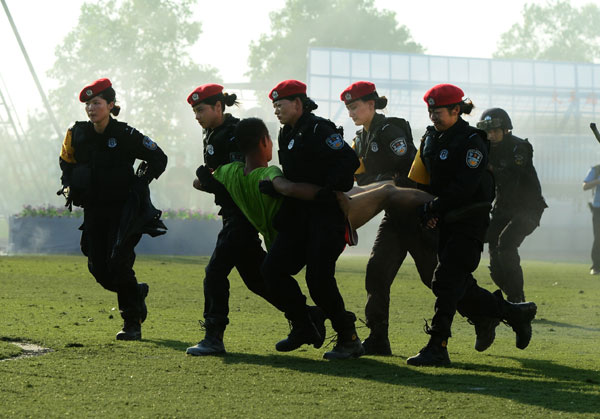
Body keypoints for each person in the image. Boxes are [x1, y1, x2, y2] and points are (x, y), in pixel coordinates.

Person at [405, 84, 538, 366]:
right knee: (458, 284)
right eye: (430, 111)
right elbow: (423, 180)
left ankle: (438, 345)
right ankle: (513, 313)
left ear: (456, 110)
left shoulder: (471, 141)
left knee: (445, 280)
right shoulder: (430, 138)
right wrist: (427, 209)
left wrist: (434, 207)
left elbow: (464, 188)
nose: (433, 117)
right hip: (445, 221)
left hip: (470, 221)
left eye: (438, 111)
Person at [185, 84, 294, 356]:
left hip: (242, 213)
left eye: (201, 109)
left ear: (218, 107)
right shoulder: (212, 132)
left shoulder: (236, 133)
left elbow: (244, 175)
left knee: (215, 272)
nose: (197, 115)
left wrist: (209, 182)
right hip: (232, 212)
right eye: (194, 111)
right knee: (257, 279)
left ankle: (213, 336)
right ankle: (306, 316)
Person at [260, 80, 364, 360]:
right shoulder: (286, 132)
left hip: (324, 217)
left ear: (297, 103)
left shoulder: (320, 129)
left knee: (318, 280)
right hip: (296, 217)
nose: (276, 111)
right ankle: (305, 324)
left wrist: (326, 191)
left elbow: (348, 161)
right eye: (274, 106)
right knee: (272, 271)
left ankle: (348, 337)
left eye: (279, 105)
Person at [58, 78, 167, 340]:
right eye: (88, 104)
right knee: (98, 268)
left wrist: (140, 182)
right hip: (94, 209)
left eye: (96, 103)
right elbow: (66, 162)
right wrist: (68, 185)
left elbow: (158, 157)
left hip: (125, 210)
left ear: (111, 105)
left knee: (118, 263)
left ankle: (132, 322)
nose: (91, 108)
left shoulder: (125, 134)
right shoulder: (77, 133)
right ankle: (136, 291)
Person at [341, 81, 437, 355]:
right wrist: (381, 181)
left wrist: (381, 182)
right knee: (377, 273)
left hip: (416, 215)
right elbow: (361, 179)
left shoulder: (389, 131)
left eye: (355, 106)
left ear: (371, 105)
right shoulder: (360, 139)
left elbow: (410, 173)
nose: (351, 112)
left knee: (435, 278)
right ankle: (378, 339)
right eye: (348, 108)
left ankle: (489, 314)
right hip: (395, 218)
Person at [476, 108, 547, 302]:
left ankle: (518, 300)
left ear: (506, 129)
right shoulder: (486, 149)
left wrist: (489, 167)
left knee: (506, 244)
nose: (491, 135)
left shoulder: (520, 148)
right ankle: (513, 297)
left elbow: (511, 177)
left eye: (495, 131)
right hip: (502, 209)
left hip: (528, 209)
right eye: (488, 132)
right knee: (495, 261)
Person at [582, 164, 600, 275]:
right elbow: (585, 186)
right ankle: (596, 266)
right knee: (599, 237)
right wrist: (598, 181)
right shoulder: (596, 169)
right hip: (598, 208)